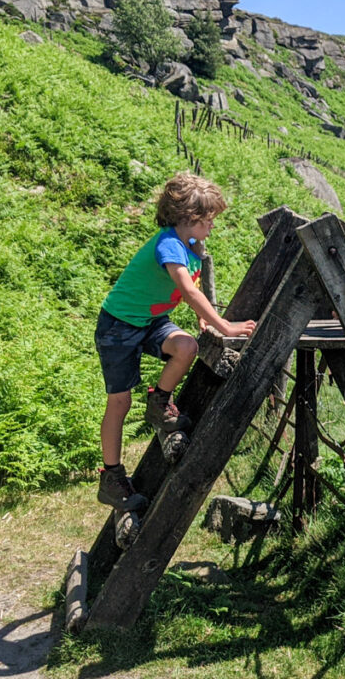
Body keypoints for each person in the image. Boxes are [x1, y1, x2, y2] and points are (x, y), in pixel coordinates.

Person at [94, 173, 256, 508]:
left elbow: (185, 289)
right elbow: (187, 289)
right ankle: (111, 477)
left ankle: (159, 404)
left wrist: (201, 316)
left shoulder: (192, 246)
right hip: (118, 326)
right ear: (188, 219)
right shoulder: (169, 244)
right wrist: (223, 325)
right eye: (209, 220)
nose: (212, 226)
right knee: (120, 402)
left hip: (150, 321)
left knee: (187, 347)